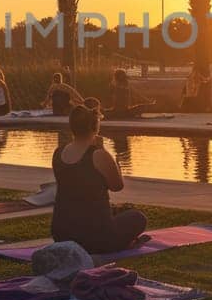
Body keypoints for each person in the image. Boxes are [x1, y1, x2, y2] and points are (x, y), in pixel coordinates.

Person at [50, 105, 147, 253]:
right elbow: (117, 186)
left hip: (62, 234)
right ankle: (120, 243)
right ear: (95, 127)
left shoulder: (58, 153)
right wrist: (106, 153)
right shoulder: (98, 155)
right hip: (95, 236)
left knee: (118, 212)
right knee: (138, 218)